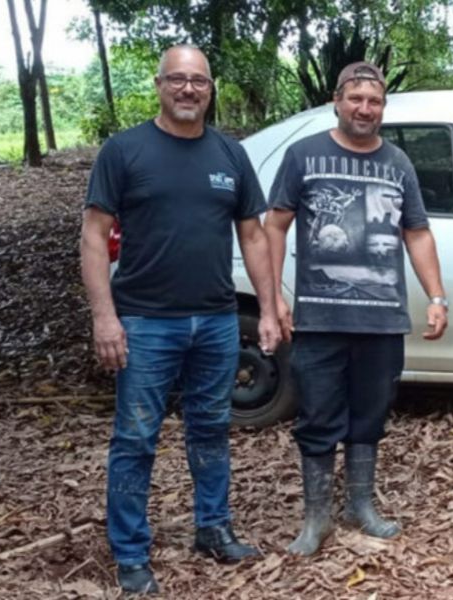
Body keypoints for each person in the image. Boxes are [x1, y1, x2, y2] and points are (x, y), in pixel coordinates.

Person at [80, 45, 281, 595]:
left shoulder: (229, 154)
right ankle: (130, 553)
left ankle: (213, 528)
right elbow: (95, 236)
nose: (188, 89)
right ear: (159, 85)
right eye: (177, 80)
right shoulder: (124, 151)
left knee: (211, 429)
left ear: (210, 88)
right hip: (145, 322)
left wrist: (268, 309)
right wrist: (105, 318)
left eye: (198, 81)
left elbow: (253, 235)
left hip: (216, 321)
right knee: (136, 438)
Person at [264, 62, 449, 556]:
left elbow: (417, 232)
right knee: (318, 414)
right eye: (356, 99)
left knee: (370, 414)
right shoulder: (304, 155)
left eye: (374, 101)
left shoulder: (398, 163)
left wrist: (436, 295)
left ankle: (360, 506)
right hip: (320, 318)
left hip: (382, 318)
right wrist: (273, 298)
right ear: (337, 100)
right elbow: (275, 224)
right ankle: (316, 518)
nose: (365, 109)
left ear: (382, 107)